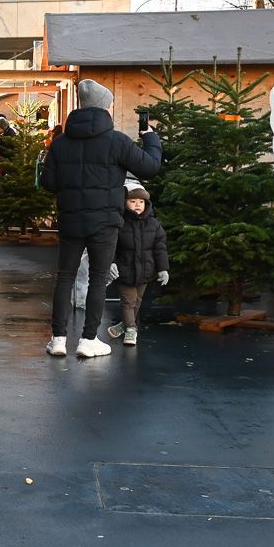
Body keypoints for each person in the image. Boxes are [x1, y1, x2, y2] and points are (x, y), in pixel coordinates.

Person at [39, 80, 162, 358]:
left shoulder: (60, 143)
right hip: (105, 222)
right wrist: (152, 138)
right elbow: (151, 167)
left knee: (65, 277)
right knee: (98, 277)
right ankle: (88, 340)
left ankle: (58, 340)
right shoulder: (117, 141)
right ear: (104, 105)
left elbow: (48, 182)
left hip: (71, 219)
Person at [109, 184, 169, 346]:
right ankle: (130, 329)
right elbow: (111, 246)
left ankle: (124, 325)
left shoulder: (154, 225)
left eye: (141, 202)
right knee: (128, 301)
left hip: (145, 271)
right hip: (125, 270)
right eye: (133, 201)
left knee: (138, 300)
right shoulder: (119, 223)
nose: (137, 204)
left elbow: (160, 248)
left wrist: (163, 269)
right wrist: (111, 263)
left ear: (146, 204)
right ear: (124, 203)